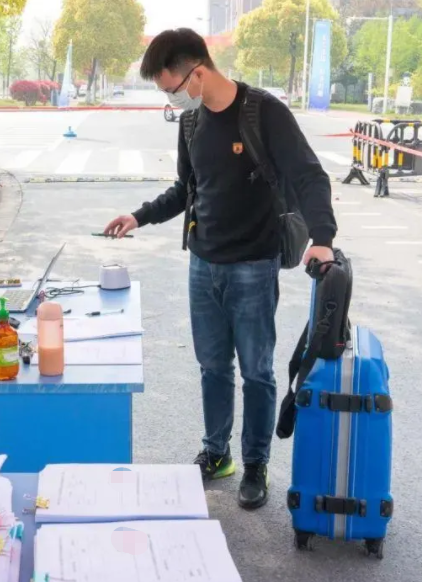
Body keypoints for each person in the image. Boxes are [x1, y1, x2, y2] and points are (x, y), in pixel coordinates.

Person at [105, 29, 337, 510]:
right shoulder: (191, 123)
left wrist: (323, 239)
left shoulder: (263, 112)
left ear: (197, 73)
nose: (171, 100)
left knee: (256, 371)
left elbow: (308, 175)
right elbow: (186, 188)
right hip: (203, 264)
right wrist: (139, 216)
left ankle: (255, 463)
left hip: (253, 266)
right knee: (213, 367)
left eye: (171, 89)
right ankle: (217, 453)